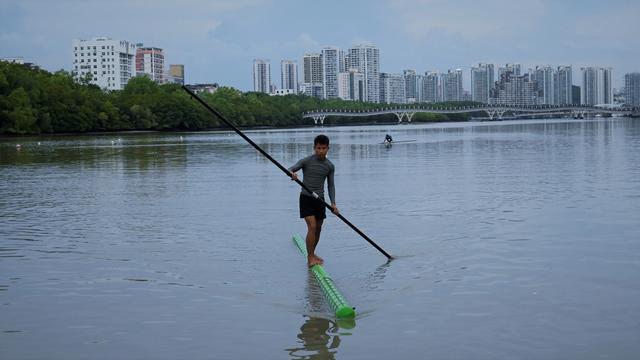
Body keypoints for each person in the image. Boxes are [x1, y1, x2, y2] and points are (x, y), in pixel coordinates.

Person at [289, 135, 339, 267]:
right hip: (306, 198)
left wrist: (333, 204)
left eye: (323, 148)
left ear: (328, 149)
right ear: (314, 148)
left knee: (318, 228)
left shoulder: (330, 166)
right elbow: (290, 168)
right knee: (312, 226)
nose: (320, 151)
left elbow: (331, 186)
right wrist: (292, 174)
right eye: (318, 148)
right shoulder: (307, 161)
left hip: (320, 200)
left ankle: (312, 253)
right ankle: (310, 258)